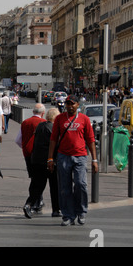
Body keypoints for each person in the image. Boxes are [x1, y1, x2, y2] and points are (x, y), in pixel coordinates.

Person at [47, 95, 98, 226]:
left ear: (77, 105)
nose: (70, 106)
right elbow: (53, 139)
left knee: (81, 184)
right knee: (65, 188)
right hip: (63, 156)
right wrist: (50, 158)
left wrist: (94, 160)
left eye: (72, 104)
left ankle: (81, 211)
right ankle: (68, 214)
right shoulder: (59, 119)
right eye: (68, 104)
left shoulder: (84, 119)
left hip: (80, 156)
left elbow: (91, 140)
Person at [23, 108, 61, 219]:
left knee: (37, 185)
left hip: (36, 160)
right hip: (50, 161)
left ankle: (28, 204)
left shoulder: (40, 126)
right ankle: (56, 210)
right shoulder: (54, 128)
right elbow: (56, 145)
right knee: (54, 186)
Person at [20, 103, 46, 211]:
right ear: (43, 113)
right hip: (40, 155)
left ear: (33, 112)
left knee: (33, 177)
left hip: (27, 153)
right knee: (39, 179)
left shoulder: (25, 122)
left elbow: (18, 140)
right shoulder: (44, 123)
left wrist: (25, 147)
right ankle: (37, 201)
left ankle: (37, 200)